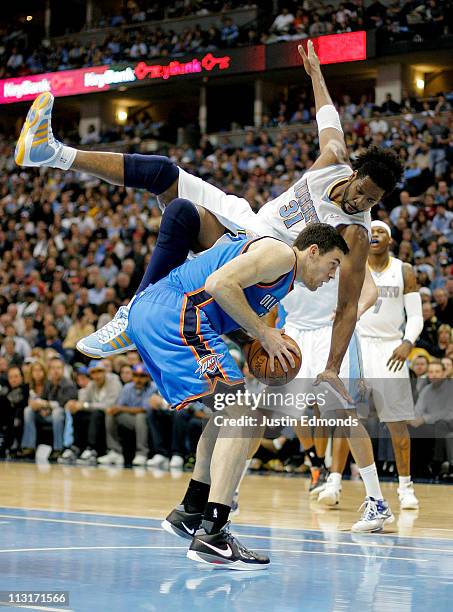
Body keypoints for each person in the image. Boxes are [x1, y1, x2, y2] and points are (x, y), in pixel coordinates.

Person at [15, 41, 403, 404]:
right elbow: (328, 120)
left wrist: (333, 367)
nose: (362, 202)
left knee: (190, 223)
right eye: (363, 191)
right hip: (245, 225)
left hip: (265, 265)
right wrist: (316, 74)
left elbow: (349, 304)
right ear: (353, 173)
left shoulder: (355, 230)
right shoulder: (333, 159)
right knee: (167, 181)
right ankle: (52, 152)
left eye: (373, 200)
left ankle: (132, 315)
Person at [128, 223, 349, 569]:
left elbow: (222, 298)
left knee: (229, 411)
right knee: (241, 415)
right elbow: (218, 285)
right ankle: (213, 532)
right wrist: (265, 333)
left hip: (158, 314)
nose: (333, 275)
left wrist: (250, 340)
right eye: (333, 264)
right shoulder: (281, 256)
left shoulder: (281, 278)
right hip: (177, 314)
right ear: (313, 251)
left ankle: (191, 511)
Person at [318, 221, 423, 511]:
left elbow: (415, 315)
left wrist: (408, 341)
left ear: (390, 240)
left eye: (381, 232)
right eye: (371, 231)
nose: (374, 235)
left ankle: (405, 488)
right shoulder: (352, 265)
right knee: (349, 418)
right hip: (358, 342)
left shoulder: (404, 270)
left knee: (396, 421)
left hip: (391, 349)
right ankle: (334, 482)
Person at [61, 360, 122, 465]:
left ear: (105, 372)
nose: (97, 375)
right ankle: (76, 447)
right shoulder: (92, 384)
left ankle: (92, 449)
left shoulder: (114, 382)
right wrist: (75, 404)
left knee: (96, 414)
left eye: (99, 371)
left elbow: (109, 405)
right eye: (93, 372)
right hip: (97, 415)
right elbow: (83, 401)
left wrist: (85, 405)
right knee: (78, 413)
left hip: (112, 415)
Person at [97, 363, 155, 467]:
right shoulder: (128, 387)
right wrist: (116, 409)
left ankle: (142, 453)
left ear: (148, 377)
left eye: (142, 376)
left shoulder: (153, 388)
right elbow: (118, 407)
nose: (138, 379)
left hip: (148, 421)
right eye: (136, 375)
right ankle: (115, 452)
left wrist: (120, 408)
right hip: (130, 419)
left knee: (140, 416)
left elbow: (144, 409)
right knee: (111, 414)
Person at [21, 357, 77, 462]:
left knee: (57, 412)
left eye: (58, 368)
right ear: (49, 370)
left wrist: (46, 404)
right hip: (48, 415)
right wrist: (42, 408)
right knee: (28, 410)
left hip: (64, 417)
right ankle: (29, 447)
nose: (56, 371)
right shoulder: (48, 383)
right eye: (53, 368)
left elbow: (63, 404)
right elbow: (43, 399)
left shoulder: (69, 384)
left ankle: (58, 448)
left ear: (63, 369)